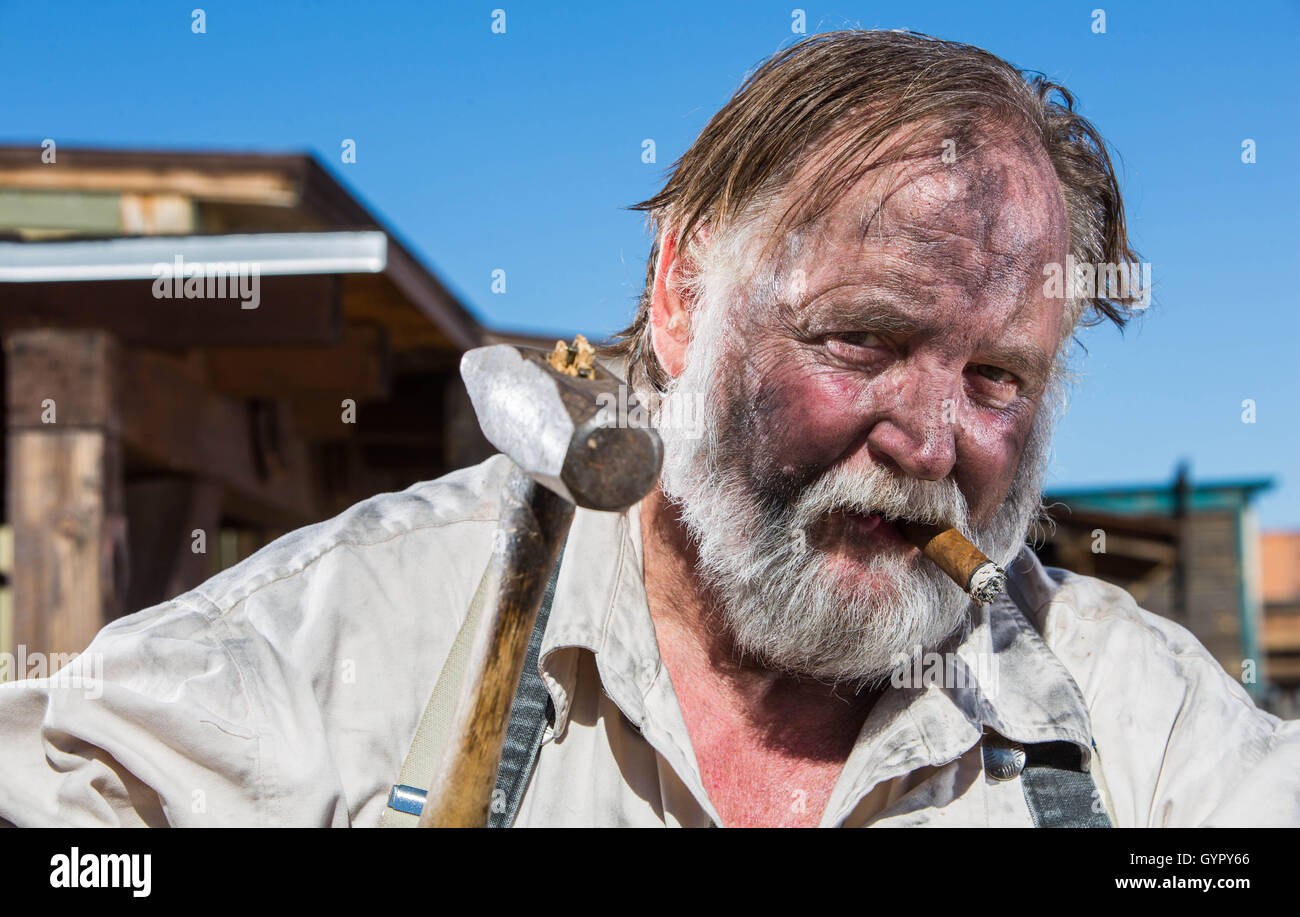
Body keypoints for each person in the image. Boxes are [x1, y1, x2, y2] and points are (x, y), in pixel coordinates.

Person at [1, 29, 1295, 827]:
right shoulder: (355, 642)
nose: (929, 441)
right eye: (862, 339)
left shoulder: (1141, 722)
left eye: (1000, 378)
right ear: (681, 295)